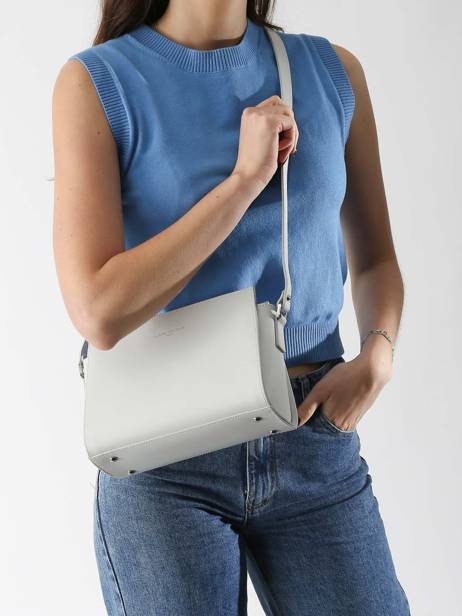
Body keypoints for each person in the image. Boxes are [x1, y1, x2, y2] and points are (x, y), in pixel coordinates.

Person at [52, 1, 411, 614]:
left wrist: (378, 353)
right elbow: (98, 311)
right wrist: (244, 182)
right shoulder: (97, 82)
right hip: (165, 460)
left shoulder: (331, 71)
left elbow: (376, 259)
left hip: (313, 433)